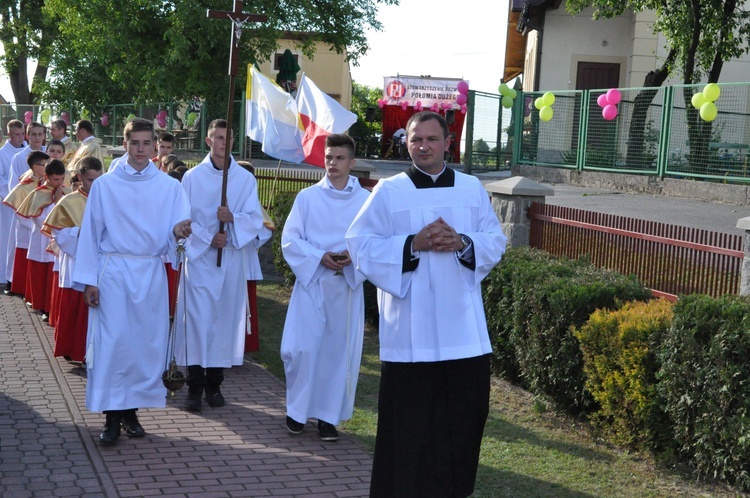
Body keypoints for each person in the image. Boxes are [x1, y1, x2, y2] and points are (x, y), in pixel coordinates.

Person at [346, 111, 507, 497]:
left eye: (432, 139)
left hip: (463, 334)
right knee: (409, 428)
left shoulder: (470, 188)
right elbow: (360, 245)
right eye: (416, 139)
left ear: (448, 143)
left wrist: (464, 243)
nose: (423, 146)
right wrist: (411, 245)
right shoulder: (388, 191)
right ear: (407, 143)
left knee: (462, 423)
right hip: (410, 335)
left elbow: (495, 240)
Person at [73, 117, 192, 445]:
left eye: (146, 143)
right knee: (113, 344)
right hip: (114, 272)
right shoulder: (106, 186)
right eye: (134, 143)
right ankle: (112, 417)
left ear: (155, 145)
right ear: (124, 145)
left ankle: (131, 411)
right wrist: (88, 280)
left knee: (143, 344)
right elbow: (90, 236)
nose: (141, 149)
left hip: (149, 273)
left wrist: (179, 231)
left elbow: (178, 229)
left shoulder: (169, 186)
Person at [280, 134, 370, 442]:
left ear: (352, 163)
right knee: (301, 350)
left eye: (340, 158)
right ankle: (296, 411)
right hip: (313, 284)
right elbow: (290, 239)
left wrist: (351, 258)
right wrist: (320, 256)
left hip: (345, 289)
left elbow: (373, 241)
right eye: (329, 157)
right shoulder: (307, 198)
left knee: (338, 354)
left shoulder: (365, 201)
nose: (332, 163)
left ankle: (328, 419)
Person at [174, 119, 264, 412]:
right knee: (198, 323)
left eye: (228, 137)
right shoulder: (192, 178)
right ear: (208, 141)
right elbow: (184, 219)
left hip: (230, 262)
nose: (223, 142)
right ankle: (194, 386)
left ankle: (215, 385)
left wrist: (233, 219)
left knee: (223, 323)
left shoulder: (244, 180)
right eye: (218, 137)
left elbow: (256, 220)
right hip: (200, 261)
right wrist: (208, 238)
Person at [43, 156, 103, 363]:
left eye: (98, 179)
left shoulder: (106, 199)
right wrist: (81, 234)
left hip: (100, 262)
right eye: (89, 180)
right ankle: (74, 351)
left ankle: (94, 352)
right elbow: (58, 235)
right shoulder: (68, 202)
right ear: (79, 177)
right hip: (75, 261)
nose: (94, 185)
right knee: (74, 308)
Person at [16, 159, 69, 319]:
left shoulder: (66, 192)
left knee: (52, 275)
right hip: (41, 239)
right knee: (41, 275)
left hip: (56, 240)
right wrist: (56, 202)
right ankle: (42, 307)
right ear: (46, 177)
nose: (59, 183)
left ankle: (51, 306)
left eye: (61, 179)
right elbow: (42, 219)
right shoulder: (39, 193)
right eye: (55, 179)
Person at [237, 160, 273, 353]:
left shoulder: (253, 204)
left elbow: (266, 230)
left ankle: (244, 345)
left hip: (245, 259)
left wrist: (249, 231)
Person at [3, 150, 48, 299]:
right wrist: (37, 226)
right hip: (27, 229)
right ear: (35, 167)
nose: (47, 168)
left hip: (42, 231)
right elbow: (20, 212)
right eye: (44, 165)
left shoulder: (46, 183)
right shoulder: (24, 186)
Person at [0, 120, 26, 294]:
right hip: (9, 205)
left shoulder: (29, 151)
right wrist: (15, 188)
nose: (20, 138)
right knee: (7, 241)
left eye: (22, 133)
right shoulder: (2, 154)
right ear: (8, 134)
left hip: (29, 205)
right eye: (16, 134)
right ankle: (5, 276)